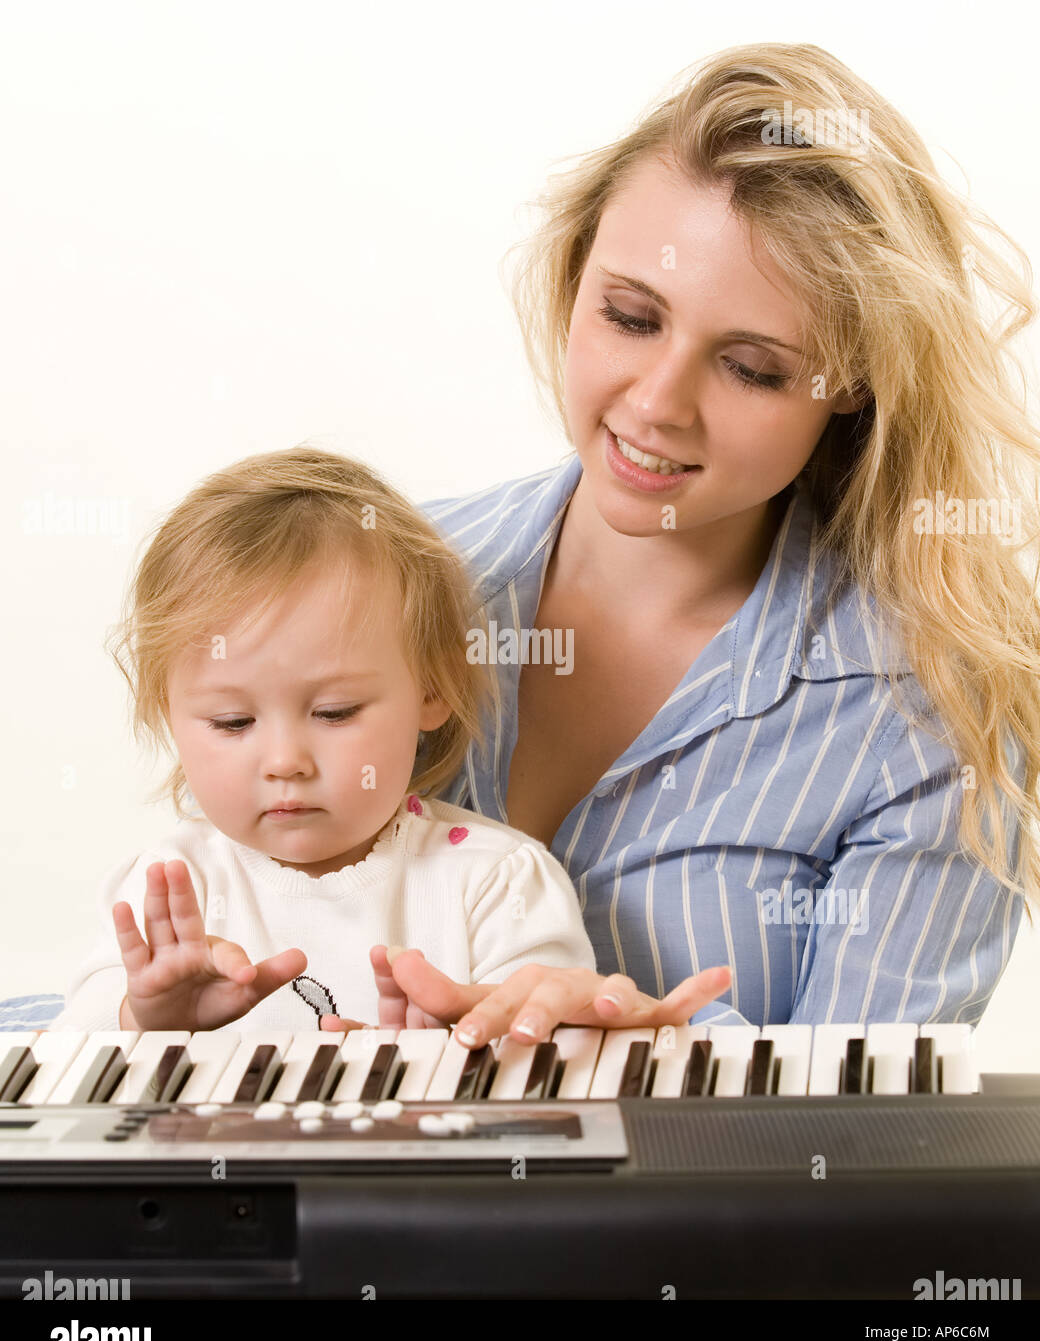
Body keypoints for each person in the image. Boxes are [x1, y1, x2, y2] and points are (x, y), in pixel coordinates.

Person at [356, 40, 1040, 1050]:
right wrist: (157, 1017)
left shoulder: (928, 711)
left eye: (752, 368)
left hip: (685, 1214)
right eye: (630, 316)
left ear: (849, 385)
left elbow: (860, 1140)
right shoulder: (386, 584)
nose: (656, 403)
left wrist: (661, 1053)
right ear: (575, 273)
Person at [53, 447, 733, 1033]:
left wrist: (473, 1035)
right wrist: (142, 1016)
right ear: (169, 716)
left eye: (336, 711)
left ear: (432, 690)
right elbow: (60, 1050)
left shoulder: (494, 883)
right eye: (233, 723)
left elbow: (554, 1032)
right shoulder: (173, 884)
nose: (285, 762)